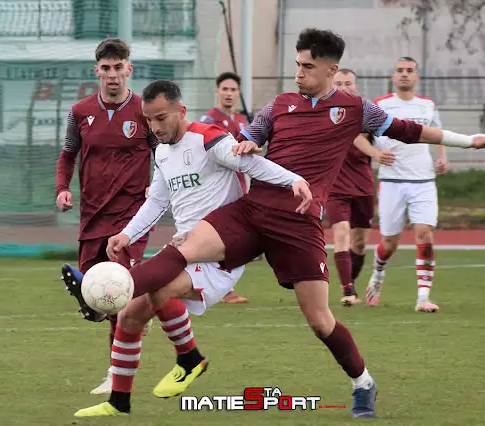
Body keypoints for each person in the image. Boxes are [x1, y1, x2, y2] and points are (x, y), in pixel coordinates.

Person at [77, 28, 485, 419]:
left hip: (299, 225)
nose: (299, 73)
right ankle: (109, 294)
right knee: (181, 249)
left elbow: (410, 131)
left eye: (307, 66)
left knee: (320, 321)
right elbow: (250, 138)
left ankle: (362, 383)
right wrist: (247, 144)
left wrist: (466, 141)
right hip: (252, 210)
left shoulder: (356, 109)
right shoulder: (279, 105)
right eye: (297, 65)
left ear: (331, 69)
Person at [73, 79, 311, 417]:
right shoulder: (162, 152)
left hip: (220, 252)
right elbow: (157, 200)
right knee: (129, 315)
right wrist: (126, 235)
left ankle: (189, 358)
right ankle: (119, 403)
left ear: (181, 111)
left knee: (159, 289)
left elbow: (249, 164)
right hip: (184, 248)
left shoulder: (208, 137)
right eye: (149, 120)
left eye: (161, 118)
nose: (155, 128)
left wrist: (294, 179)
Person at [55, 38, 203, 396]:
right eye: (106, 68)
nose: (112, 75)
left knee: (116, 287)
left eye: (118, 67)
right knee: (100, 293)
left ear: (128, 69)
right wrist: (62, 187)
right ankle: (105, 308)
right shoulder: (80, 112)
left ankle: (115, 373)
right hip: (92, 215)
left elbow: (165, 149)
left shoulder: (143, 111)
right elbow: (68, 154)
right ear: (97, 71)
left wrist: (160, 186)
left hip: (131, 216)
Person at [365, 56, 449, 313]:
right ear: (393, 76)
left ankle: (423, 298)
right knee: (389, 243)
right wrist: (375, 153)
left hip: (423, 181)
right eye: (400, 70)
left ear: (416, 77)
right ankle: (378, 271)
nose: (404, 74)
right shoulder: (380, 105)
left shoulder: (427, 106)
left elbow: (439, 135)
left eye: (409, 70)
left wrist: (442, 156)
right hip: (392, 181)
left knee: (425, 234)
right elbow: (358, 137)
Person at [326, 69, 395, 306]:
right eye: (339, 83)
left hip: (363, 186)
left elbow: (387, 136)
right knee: (341, 233)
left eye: (348, 83)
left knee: (359, 243)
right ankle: (347, 290)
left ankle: (351, 283)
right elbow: (352, 136)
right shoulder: (325, 112)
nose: (343, 87)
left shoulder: (368, 114)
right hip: (335, 186)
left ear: (355, 87)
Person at [200, 72, 254, 303]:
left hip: (238, 187)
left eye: (233, 90)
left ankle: (220, 287)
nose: (229, 94)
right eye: (225, 89)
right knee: (217, 237)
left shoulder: (243, 121)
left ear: (238, 93)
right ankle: (221, 289)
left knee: (234, 238)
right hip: (215, 189)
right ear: (218, 91)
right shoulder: (209, 120)